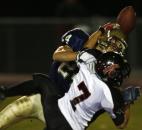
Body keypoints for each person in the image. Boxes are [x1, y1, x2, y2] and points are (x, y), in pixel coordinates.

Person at [0, 23, 129, 129]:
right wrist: (81, 55)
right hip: (46, 99)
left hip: (67, 113)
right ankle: (4, 92)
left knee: (41, 82)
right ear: (103, 38)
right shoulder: (82, 43)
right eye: (112, 43)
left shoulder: (107, 75)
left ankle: (5, 92)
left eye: (116, 47)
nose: (113, 48)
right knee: (5, 117)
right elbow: (57, 55)